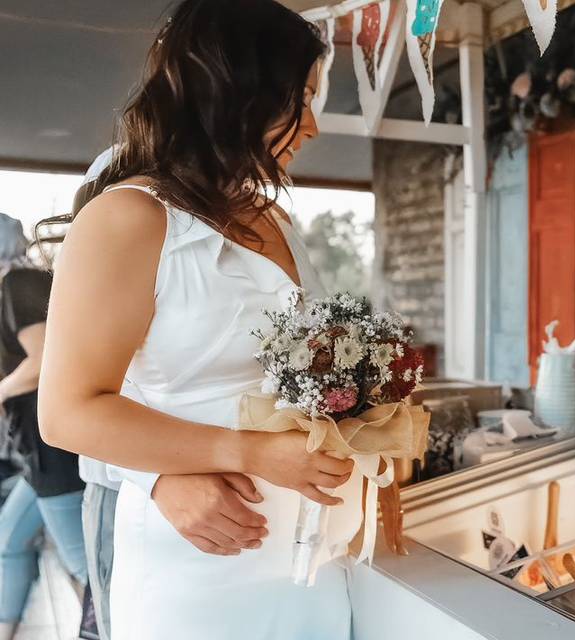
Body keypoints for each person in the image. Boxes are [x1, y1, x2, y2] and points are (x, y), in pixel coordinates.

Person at [36, 1, 355, 638]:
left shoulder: (275, 221)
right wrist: (239, 456)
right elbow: (68, 412)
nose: (314, 126)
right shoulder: (127, 220)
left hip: (316, 567)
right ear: (237, 89)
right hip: (204, 569)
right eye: (303, 97)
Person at [0, 213, 87, 640]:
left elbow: (41, 364)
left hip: (53, 450)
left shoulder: (18, 285)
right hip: (38, 453)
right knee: (8, 541)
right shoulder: (16, 286)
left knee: (85, 567)